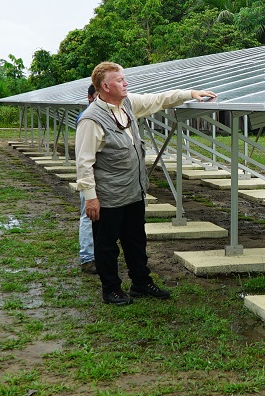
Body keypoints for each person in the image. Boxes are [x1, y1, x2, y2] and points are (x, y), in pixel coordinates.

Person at [75, 61, 217, 306]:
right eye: (120, 80)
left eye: (124, 79)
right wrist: (91, 197)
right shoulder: (91, 119)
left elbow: (159, 99)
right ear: (105, 86)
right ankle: (111, 289)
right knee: (106, 244)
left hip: (133, 191)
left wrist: (191, 94)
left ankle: (141, 282)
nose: (125, 83)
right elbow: (84, 162)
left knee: (136, 240)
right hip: (108, 195)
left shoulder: (127, 104)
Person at [78, 84, 97, 274]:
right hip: (90, 176)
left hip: (99, 176)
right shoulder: (87, 118)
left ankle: (92, 255)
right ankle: (87, 257)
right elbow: (84, 158)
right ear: (90, 97)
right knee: (88, 215)